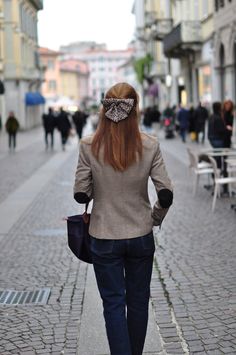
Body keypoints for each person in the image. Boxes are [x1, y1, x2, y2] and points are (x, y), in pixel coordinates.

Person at [73, 83, 173, 355]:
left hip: (104, 236)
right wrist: (153, 218)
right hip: (140, 235)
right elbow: (166, 193)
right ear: (136, 107)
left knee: (113, 303)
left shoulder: (88, 146)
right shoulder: (150, 145)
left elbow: (80, 193)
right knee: (139, 302)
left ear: (106, 109)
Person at [208, 101, 232, 169]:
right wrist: (227, 128)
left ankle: (217, 170)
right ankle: (217, 170)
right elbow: (221, 130)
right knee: (218, 156)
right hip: (217, 139)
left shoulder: (212, 116)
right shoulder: (217, 117)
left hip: (213, 138)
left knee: (217, 154)